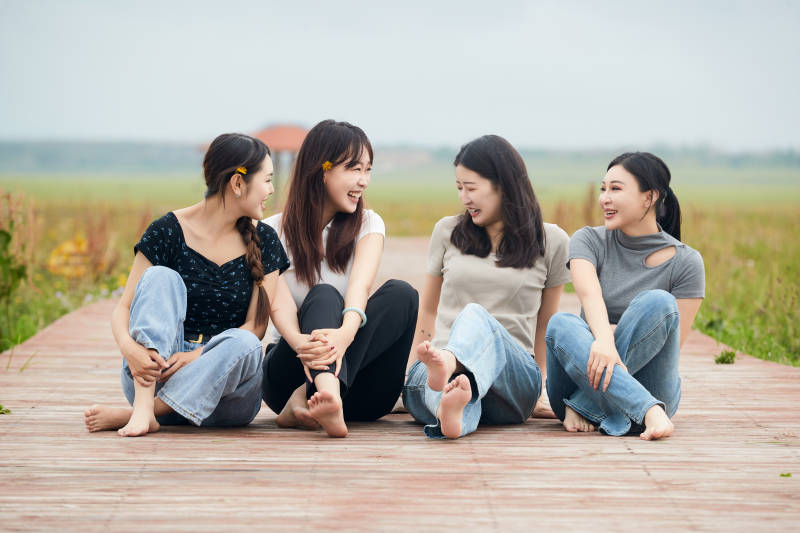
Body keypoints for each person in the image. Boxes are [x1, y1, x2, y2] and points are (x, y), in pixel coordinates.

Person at [84, 133, 289, 436]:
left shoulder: (265, 240)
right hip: (156, 374)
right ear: (237, 183)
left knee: (246, 344)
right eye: (267, 180)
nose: (272, 190)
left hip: (228, 395)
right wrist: (131, 350)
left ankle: (145, 413)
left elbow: (255, 329)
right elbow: (123, 308)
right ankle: (144, 406)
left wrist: (195, 357)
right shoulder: (166, 231)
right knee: (159, 277)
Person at [402, 135, 570, 439]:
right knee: (454, 389)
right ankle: (451, 416)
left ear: (503, 185)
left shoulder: (553, 241)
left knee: (475, 316)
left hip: (511, 381)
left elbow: (546, 324)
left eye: (471, 188)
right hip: (438, 377)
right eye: (459, 188)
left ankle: (451, 365)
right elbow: (427, 310)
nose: (464, 198)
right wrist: (416, 367)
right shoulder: (446, 232)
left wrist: (541, 388)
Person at [261, 119, 418, 438]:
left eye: (368, 170)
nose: (363, 181)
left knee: (402, 293)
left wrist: (345, 335)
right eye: (354, 169)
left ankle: (316, 397)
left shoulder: (369, 225)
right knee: (324, 295)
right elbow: (281, 309)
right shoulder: (268, 232)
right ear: (322, 169)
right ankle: (322, 391)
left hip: (365, 395)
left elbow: (360, 288)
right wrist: (303, 345)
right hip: (288, 374)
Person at [545, 152, 705, 440]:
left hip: (650, 384)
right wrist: (604, 340)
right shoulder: (588, 240)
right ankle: (648, 412)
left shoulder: (687, 262)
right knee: (561, 324)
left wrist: (606, 341)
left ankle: (584, 405)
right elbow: (589, 295)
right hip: (588, 378)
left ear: (650, 197)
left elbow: (670, 345)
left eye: (616, 189)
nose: (604, 197)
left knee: (658, 302)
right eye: (603, 189)